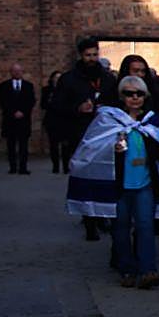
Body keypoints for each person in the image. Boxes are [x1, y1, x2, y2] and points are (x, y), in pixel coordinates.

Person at [96, 76, 159, 289]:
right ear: (121, 96)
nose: (134, 97)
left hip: (144, 183)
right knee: (120, 227)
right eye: (129, 93)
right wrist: (114, 148)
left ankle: (148, 269)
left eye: (139, 93)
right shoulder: (111, 120)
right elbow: (96, 149)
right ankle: (126, 268)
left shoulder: (152, 120)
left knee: (146, 226)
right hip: (120, 184)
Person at [53, 38, 115, 231]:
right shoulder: (69, 79)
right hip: (79, 133)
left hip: (104, 134)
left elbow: (116, 103)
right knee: (84, 175)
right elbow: (57, 106)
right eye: (88, 55)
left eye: (95, 54)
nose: (92, 58)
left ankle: (102, 213)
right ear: (81, 55)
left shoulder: (107, 78)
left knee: (105, 175)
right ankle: (88, 218)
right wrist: (77, 108)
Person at [0, 64, 35, 175]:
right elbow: (2, 101)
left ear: (22, 72)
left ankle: (23, 168)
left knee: (24, 145)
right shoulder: (4, 86)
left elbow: (31, 101)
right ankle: (12, 167)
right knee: (11, 145)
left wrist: (22, 112)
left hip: (24, 120)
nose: (17, 73)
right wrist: (13, 112)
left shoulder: (28, 86)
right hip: (10, 120)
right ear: (11, 72)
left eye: (19, 71)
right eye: (15, 71)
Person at [41, 69, 66, 173]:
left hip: (64, 120)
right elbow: (43, 104)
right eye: (55, 78)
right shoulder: (47, 90)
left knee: (65, 145)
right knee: (53, 145)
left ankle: (66, 166)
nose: (57, 80)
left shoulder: (66, 90)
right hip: (51, 120)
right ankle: (55, 166)